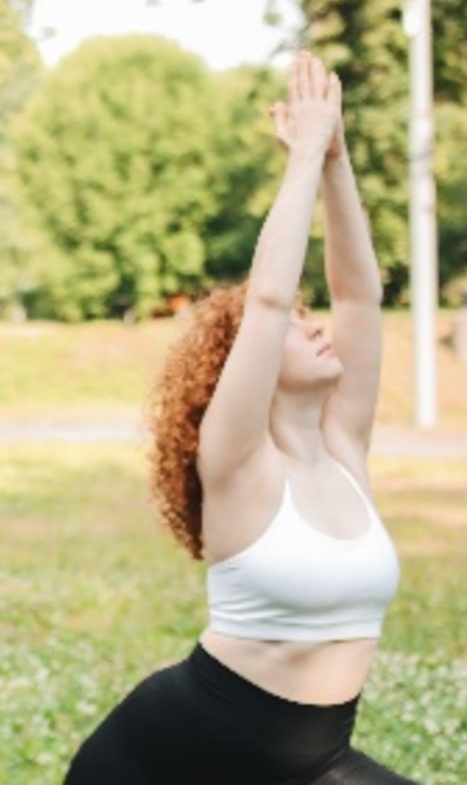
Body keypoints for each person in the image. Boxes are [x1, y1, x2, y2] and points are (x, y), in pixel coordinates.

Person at [64, 53, 415, 784]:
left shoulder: (343, 449)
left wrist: (337, 163)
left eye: (309, 317)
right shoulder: (237, 464)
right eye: (297, 322)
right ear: (242, 369)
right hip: (167, 756)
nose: (318, 328)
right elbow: (262, 300)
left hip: (309, 761)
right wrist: (302, 161)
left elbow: (359, 299)